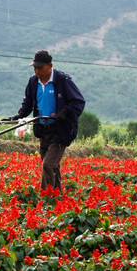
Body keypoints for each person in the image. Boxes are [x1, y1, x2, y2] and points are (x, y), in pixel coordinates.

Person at [11, 50, 85, 193]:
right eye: (34, 67)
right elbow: (28, 102)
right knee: (52, 166)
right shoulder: (33, 81)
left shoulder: (63, 81)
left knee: (48, 165)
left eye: (39, 67)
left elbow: (78, 102)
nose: (36, 70)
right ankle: (57, 198)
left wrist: (65, 112)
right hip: (43, 129)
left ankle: (46, 198)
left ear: (49, 65)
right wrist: (19, 114)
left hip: (60, 130)